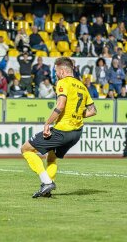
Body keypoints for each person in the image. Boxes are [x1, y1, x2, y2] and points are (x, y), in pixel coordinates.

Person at [21, 57, 97, 198]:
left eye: (56, 71)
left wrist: (47, 123)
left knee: (26, 149)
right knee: (51, 156)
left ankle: (46, 182)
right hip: (76, 133)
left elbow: (60, 105)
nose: (55, 74)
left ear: (62, 71)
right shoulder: (82, 86)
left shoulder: (62, 82)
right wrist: (76, 115)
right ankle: (47, 189)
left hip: (63, 130)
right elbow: (93, 110)